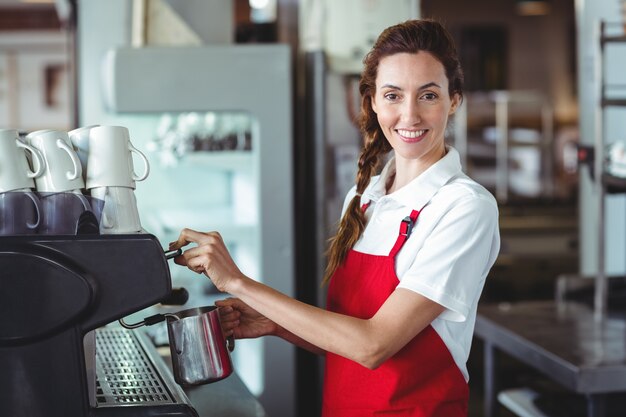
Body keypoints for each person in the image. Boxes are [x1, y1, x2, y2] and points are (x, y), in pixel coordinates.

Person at [169, 18, 500, 417]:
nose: (409, 115)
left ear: (454, 100)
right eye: (393, 95)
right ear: (374, 101)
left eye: (428, 95)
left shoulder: (463, 207)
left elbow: (373, 345)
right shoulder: (363, 199)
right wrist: (276, 323)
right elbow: (348, 336)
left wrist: (238, 282)